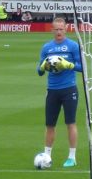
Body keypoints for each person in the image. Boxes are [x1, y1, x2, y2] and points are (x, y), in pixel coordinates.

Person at [35, 16, 83, 168]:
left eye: (61, 29)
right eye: (56, 29)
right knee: (50, 125)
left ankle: (72, 157)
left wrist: (68, 65)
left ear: (66, 29)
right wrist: (43, 66)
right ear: (51, 30)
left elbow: (82, 67)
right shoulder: (47, 48)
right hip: (52, 90)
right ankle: (47, 156)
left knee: (70, 123)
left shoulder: (73, 46)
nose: (58, 32)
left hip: (69, 89)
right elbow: (39, 71)